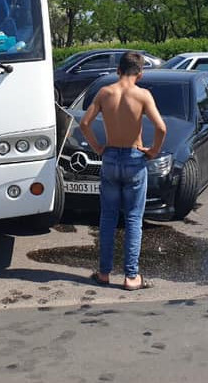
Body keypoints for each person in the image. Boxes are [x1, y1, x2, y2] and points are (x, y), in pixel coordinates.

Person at [78, 51, 167, 291]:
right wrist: (153, 151)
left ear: (118, 70)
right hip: (134, 157)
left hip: (110, 159)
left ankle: (104, 273)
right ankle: (131, 276)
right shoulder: (142, 95)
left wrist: (98, 146)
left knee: (107, 218)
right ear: (140, 73)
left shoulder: (105, 93)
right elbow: (161, 127)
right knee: (133, 219)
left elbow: (84, 123)